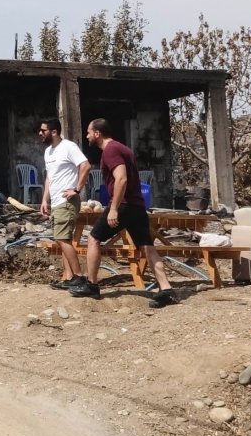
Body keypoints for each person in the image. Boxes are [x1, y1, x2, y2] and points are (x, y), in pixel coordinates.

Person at [67, 118, 177, 308]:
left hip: (124, 205)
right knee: (147, 246)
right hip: (137, 206)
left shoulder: (111, 150)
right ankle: (166, 289)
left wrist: (114, 209)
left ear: (97, 133)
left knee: (94, 238)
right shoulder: (123, 148)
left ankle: (92, 284)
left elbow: (122, 179)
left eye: (88, 132)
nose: (86, 136)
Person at [38, 118, 90, 290]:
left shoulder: (68, 147)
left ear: (54, 131)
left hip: (67, 201)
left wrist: (77, 189)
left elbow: (85, 166)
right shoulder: (48, 152)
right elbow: (49, 177)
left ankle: (79, 277)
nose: (40, 133)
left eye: (43, 130)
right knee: (63, 239)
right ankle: (68, 278)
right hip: (55, 202)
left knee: (62, 238)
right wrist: (45, 199)